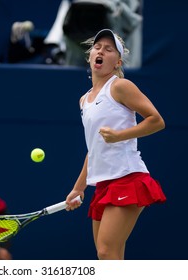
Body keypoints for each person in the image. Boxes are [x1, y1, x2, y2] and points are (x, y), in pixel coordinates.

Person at [65, 29, 166, 260]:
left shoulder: (120, 86)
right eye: (97, 47)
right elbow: (94, 149)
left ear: (117, 62)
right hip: (103, 184)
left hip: (128, 177)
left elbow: (157, 121)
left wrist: (119, 135)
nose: (101, 51)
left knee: (106, 250)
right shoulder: (84, 100)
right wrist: (79, 188)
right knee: (109, 257)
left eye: (109, 49)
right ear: (90, 57)